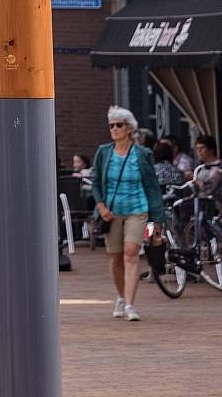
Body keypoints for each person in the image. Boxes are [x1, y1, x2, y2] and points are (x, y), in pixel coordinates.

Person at [92, 106, 165, 322]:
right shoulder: (103, 152)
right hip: (111, 213)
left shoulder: (143, 154)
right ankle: (121, 297)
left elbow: (152, 187)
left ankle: (131, 305)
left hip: (137, 210)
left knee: (131, 253)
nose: (114, 129)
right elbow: (96, 182)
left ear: (129, 128)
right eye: (111, 125)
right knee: (115, 259)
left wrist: (157, 220)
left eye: (119, 125)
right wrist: (101, 206)